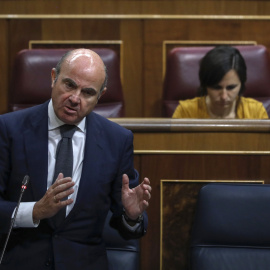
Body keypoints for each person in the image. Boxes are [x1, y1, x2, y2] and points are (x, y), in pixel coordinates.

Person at [0, 48, 151, 269]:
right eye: (69, 85)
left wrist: (131, 215)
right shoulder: (9, 129)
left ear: (100, 95)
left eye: (88, 92)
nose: (74, 98)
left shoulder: (117, 141)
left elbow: (127, 225)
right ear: (53, 77)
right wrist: (34, 211)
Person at [172, 45, 269, 119]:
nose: (224, 96)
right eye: (216, 87)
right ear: (205, 84)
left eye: (231, 88)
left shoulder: (256, 113)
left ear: (241, 84)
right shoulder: (185, 112)